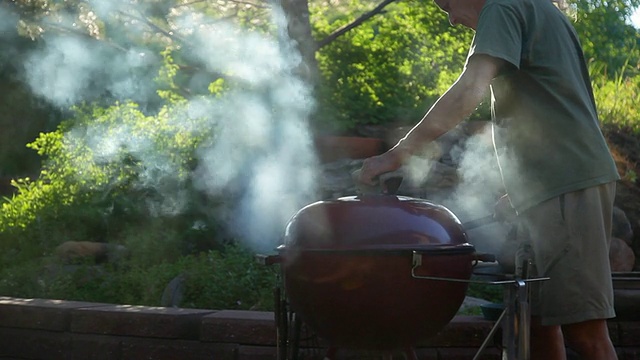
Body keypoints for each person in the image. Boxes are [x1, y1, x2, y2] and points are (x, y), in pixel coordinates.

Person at [356, 0, 621, 358]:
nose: (451, 20)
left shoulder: (501, 6)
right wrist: (522, 191)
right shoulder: (534, 9)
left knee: (585, 331)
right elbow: (554, 106)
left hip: (567, 184)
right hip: (552, 186)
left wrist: (395, 155)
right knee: (538, 323)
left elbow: (470, 91)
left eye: (447, 5)